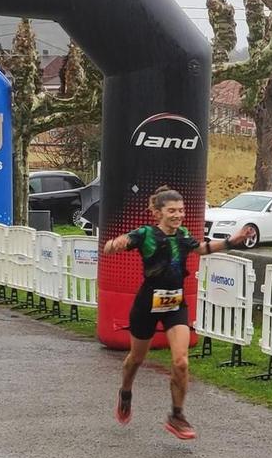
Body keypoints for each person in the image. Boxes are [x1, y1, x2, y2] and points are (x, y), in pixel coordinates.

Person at [101, 187, 246, 440]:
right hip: (147, 304)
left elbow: (200, 248)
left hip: (175, 304)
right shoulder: (146, 234)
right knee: (136, 358)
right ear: (158, 213)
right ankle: (125, 391)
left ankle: (176, 415)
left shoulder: (183, 235)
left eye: (181, 210)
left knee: (181, 362)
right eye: (172, 211)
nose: (178, 215)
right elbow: (120, 244)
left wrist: (232, 241)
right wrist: (115, 245)